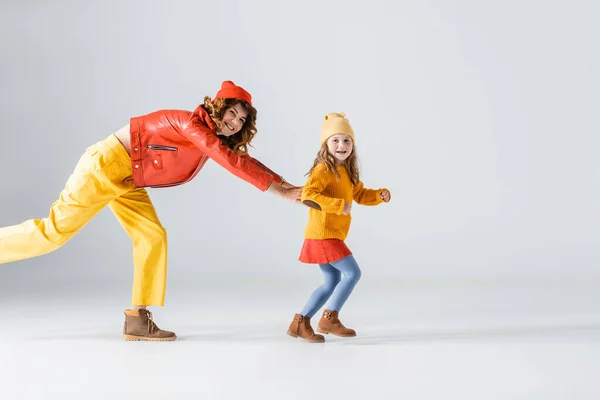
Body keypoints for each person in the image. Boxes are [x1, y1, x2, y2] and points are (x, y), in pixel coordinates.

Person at [0, 80, 302, 341]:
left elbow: (243, 161)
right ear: (217, 107)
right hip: (105, 165)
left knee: (152, 236)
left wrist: (287, 185)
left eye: (241, 119)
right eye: (232, 112)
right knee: (52, 234)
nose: (235, 123)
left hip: (128, 177)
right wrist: (282, 193)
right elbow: (229, 161)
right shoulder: (191, 125)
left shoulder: (210, 137)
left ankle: (137, 318)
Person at [286, 112, 391, 343]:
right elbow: (308, 195)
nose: (341, 145)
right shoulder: (323, 169)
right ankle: (329, 319)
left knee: (331, 281)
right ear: (326, 144)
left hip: (330, 235)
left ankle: (300, 323)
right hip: (322, 234)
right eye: (335, 140)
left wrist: (378, 196)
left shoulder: (347, 172)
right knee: (353, 273)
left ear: (352, 145)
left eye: (347, 140)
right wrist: (337, 206)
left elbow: (360, 194)